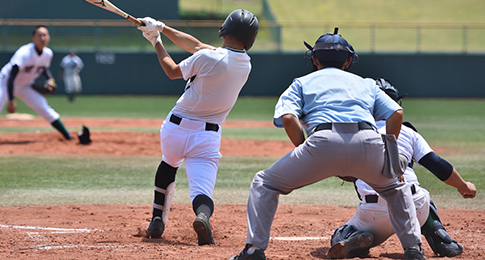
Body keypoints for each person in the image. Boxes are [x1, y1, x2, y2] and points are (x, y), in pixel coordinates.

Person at [230, 28, 426, 260]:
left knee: (265, 183)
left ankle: (253, 251)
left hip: (321, 141)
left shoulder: (301, 83)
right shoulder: (367, 83)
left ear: (314, 59)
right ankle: (413, 250)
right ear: (349, 61)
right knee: (395, 189)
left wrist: (305, 151)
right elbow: (396, 114)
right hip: (368, 143)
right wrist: (390, 157)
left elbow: (289, 118)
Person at [135, 10, 259, 246]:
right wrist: (162, 27)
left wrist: (157, 42)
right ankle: (202, 216)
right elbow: (198, 46)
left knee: (168, 165)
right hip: (207, 136)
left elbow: (172, 71)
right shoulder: (246, 64)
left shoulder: (207, 58)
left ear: (225, 29)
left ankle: (157, 219)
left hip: (174, 130)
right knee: (201, 191)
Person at [327, 78, 477, 259]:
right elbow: (438, 165)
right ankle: (441, 240)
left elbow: (338, 168)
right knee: (421, 197)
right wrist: (464, 185)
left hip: (373, 215)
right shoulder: (408, 131)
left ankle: (353, 238)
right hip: (413, 207)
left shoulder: (351, 133)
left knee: (339, 235)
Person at [0, 25, 72, 140]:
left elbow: (42, 68)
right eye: (39, 35)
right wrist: (11, 100)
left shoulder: (48, 53)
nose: (43, 38)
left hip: (25, 86)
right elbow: (12, 76)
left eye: (45, 35)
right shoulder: (24, 53)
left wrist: (50, 79)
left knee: (44, 108)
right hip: (5, 83)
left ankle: (68, 136)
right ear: (33, 38)